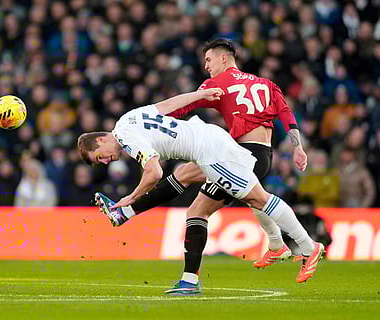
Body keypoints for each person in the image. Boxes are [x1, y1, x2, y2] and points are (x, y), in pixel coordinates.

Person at [78, 88, 325, 295]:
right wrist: (201, 95)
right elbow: (168, 104)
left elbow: (154, 173)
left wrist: (131, 195)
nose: (105, 161)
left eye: (100, 157)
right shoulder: (127, 118)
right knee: (186, 180)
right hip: (207, 137)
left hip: (211, 154)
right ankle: (188, 276)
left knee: (257, 198)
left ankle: (307, 246)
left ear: (100, 140)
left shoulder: (125, 137)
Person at [95, 38, 309, 271]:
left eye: (208, 59)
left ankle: (307, 246)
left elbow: (184, 106)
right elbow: (286, 114)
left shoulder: (217, 83)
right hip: (262, 151)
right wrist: (298, 146)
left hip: (241, 152)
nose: (206, 65)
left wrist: (155, 126)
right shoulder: (266, 83)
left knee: (226, 204)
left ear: (223, 58)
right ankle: (277, 244)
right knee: (187, 174)